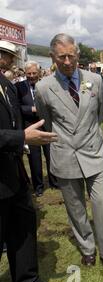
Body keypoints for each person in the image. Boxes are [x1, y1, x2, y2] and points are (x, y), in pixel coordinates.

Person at [35, 33, 103, 273]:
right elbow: (47, 122)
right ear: (52, 56)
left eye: (71, 56)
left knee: (102, 202)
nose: (67, 61)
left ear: (78, 55)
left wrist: (88, 135)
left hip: (94, 150)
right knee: (75, 207)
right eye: (61, 56)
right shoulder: (43, 87)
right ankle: (87, 249)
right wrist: (67, 140)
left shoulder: (95, 80)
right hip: (65, 154)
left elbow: (99, 114)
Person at [0, 39, 68, 282]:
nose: (7, 60)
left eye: (9, 55)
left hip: (14, 174)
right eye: (3, 55)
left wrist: (22, 145)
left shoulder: (6, 85)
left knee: (24, 229)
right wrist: (21, 139)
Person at [15, 61, 58, 197]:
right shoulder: (18, 87)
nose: (32, 76)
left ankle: (54, 182)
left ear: (39, 73)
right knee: (34, 159)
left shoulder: (45, 85)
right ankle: (38, 186)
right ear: (25, 73)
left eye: (34, 73)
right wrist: (31, 109)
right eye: (29, 74)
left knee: (51, 155)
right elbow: (17, 107)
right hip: (29, 126)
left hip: (45, 125)